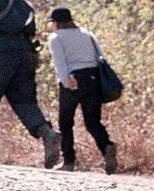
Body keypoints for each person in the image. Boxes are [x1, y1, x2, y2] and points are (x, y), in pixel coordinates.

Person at [0, 0, 62, 168]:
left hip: (1, 53)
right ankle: (47, 133)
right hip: (26, 54)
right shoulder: (24, 4)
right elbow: (32, 34)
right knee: (25, 101)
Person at [47, 6, 118, 174]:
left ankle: (69, 161)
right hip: (93, 78)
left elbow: (60, 63)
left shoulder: (56, 37)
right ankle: (106, 146)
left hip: (72, 79)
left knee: (66, 122)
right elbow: (98, 56)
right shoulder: (87, 34)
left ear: (56, 22)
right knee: (92, 121)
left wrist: (65, 81)